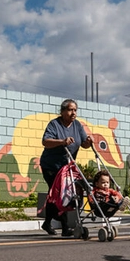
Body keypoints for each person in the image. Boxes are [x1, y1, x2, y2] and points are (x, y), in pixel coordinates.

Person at [39, 99, 93, 236]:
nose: (73, 113)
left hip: (67, 167)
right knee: (60, 193)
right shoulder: (54, 124)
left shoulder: (77, 125)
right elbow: (46, 141)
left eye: (75, 110)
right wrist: (62, 142)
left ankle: (47, 223)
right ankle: (65, 227)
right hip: (51, 166)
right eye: (70, 110)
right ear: (62, 111)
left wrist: (88, 141)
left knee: (60, 194)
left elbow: (84, 144)